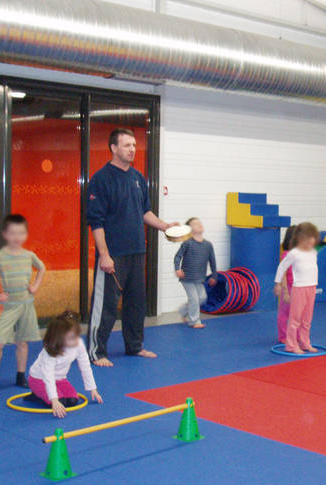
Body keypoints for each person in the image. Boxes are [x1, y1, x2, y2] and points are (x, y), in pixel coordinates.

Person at [86, 128, 178, 367]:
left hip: (137, 251)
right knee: (105, 305)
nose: (132, 149)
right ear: (114, 148)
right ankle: (97, 352)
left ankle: (135, 346)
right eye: (127, 145)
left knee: (136, 303)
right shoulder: (101, 179)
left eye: (134, 145)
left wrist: (165, 226)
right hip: (113, 255)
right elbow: (96, 222)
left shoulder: (138, 178)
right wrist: (104, 255)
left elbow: (145, 212)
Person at [0, 214, 45, 393]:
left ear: (26, 235)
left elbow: (42, 268)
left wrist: (35, 285)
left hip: (26, 305)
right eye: (13, 233)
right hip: (7, 307)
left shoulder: (29, 255)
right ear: (5, 234)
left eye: (21, 233)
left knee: (22, 342)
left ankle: (20, 375)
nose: (17, 237)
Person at [28, 311, 103, 419]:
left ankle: (45, 394)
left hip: (60, 379)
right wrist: (54, 400)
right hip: (39, 379)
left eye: (76, 335)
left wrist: (93, 389)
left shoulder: (78, 344)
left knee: (73, 400)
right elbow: (48, 377)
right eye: (71, 337)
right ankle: (37, 394)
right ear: (60, 337)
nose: (76, 340)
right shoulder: (50, 351)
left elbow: (85, 366)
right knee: (60, 401)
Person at [274, 222, 320, 354]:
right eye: (309, 237)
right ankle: (291, 345)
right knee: (295, 318)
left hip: (311, 287)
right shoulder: (294, 253)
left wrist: (315, 284)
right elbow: (282, 267)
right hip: (299, 287)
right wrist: (278, 284)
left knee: (307, 318)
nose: (312, 240)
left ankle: (305, 343)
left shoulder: (313, 253)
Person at [174, 217, 217, 329]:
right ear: (189, 230)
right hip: (187, 278)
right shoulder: (187, 243)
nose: (199, 224)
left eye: (199, 223)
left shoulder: (208, 245)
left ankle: (183, 311)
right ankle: (194, 321)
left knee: (202, 297)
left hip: (199, 278)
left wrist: (214, 275)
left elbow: (212, 261)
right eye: (195, 224)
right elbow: (178, 256)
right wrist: (177, 269)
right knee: (194, 299)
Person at [276, 225, 297, 343]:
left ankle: (296, 335)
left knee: (297, 313)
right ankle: (283, 336)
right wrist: (286, 292)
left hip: (298, 287)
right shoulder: (286, 254)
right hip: (288, 286)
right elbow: (283, 274)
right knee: (284, 313)